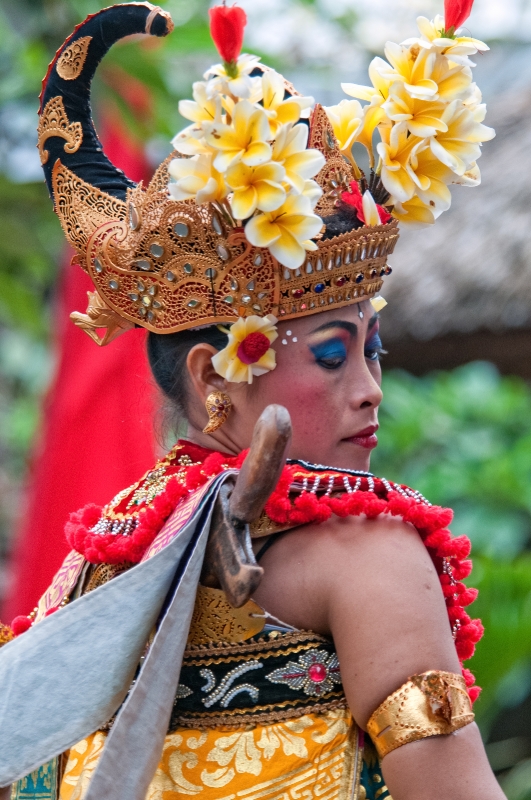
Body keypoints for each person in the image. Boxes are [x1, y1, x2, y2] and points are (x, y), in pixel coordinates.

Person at [1, 2, 503, 799]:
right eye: (334, 355)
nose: (369, 391)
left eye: (372, 351)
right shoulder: (366, 550)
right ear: (213, 378)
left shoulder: (101, 558)